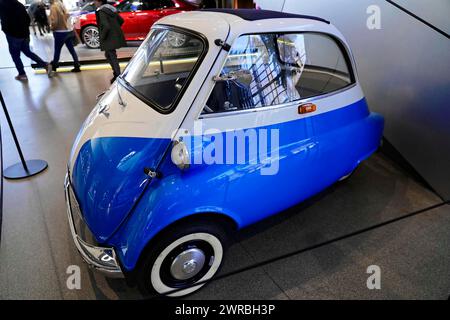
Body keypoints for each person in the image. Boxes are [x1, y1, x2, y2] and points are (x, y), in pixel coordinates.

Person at [0, 0, 49, 81]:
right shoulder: (19, 4)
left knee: (15, 55)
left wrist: (6, 30)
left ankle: (22, 74)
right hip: (25, 34)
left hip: (13, 35)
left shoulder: (2, 4)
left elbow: (4, 20)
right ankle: (45, 65)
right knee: (27, 52)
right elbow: (27, 19)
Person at [94, 0, 126, 83]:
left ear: (99, 1)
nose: (94, 3)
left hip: (108, 38)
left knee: (111, 56)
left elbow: (106, 26)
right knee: (109, 55)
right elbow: (121, 20)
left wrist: (102, 37)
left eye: (95, 1)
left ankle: (118, 75)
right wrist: (115, 28)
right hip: (114, 36)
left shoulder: (101, 11)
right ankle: (116, 74)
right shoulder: (111, 9)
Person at [48, 0, 81, 76]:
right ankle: (77, 65)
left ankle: (54, 66)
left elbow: (55, 21)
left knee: (57, 50)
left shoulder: (53, 7)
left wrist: (52, 27)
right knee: (71, 50)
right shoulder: (62, 5)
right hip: (67, 31)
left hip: (59, 32)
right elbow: (68, 16)